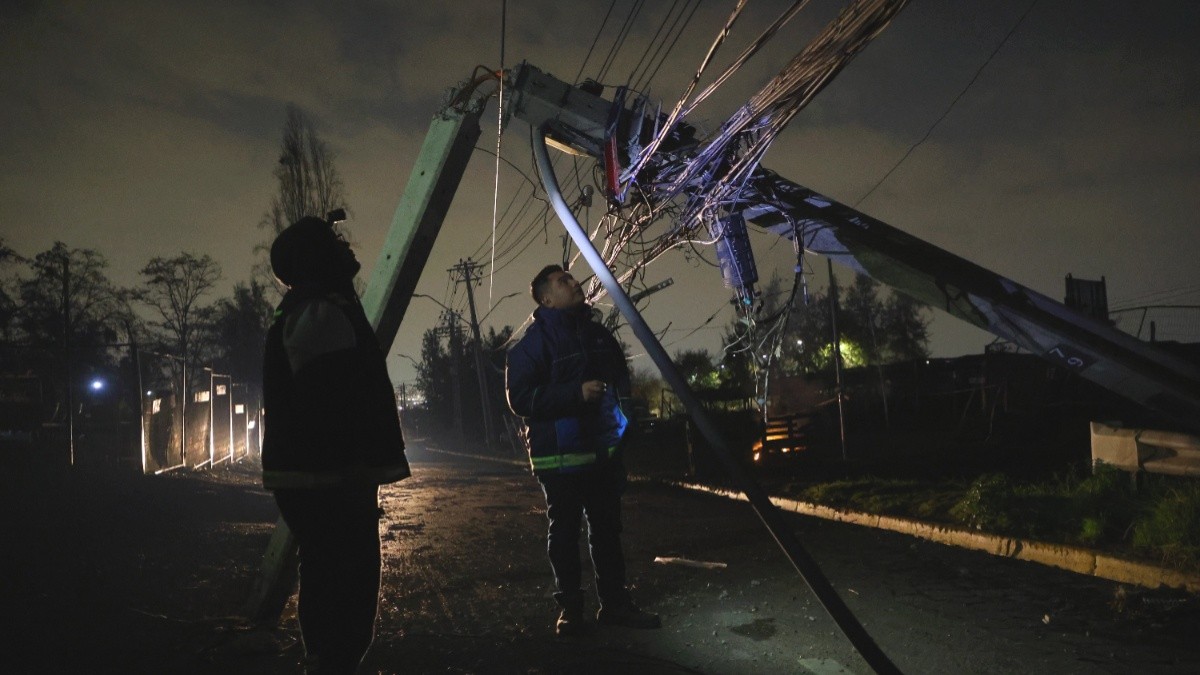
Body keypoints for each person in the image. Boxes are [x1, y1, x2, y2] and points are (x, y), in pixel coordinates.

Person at [262, 216, 410, 673]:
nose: (346, 246)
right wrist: (353, 468)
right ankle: (333, 663)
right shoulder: (320, 313)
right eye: (334, 242)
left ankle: (327, 661)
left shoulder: (316, 308)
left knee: (327, 572)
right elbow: (331, 401)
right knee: (346, 578)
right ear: (317, 258)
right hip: (330, 478)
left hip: (323, 476)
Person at [505, 264, 661, 636]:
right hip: (559, 460)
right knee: (564, 534)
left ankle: (614, 605)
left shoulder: (597, 335)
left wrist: (623, 428)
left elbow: (620, 382)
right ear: (546, 299)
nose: (575, 283)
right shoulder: (532, 346)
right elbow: (520, 398)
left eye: (572, 278)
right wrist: (574, 394)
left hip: (601, 454)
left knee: (607, 531)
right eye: (563, 282)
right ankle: (571, 611)